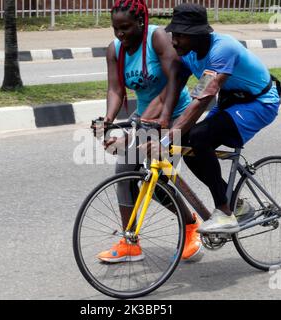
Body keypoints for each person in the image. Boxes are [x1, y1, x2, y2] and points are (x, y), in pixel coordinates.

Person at [95, 0, 206, 263]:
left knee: (157, 183)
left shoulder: (157, 37)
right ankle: (130, 242)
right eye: (116, 29)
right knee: (125, 174)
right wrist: (108, 118)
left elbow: (175, 81)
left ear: (140, 23)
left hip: (174, 113)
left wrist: (156, 119)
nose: (121, 34)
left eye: (126, 28)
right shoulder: (115, 49)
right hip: (143, 116)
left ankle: (191, 226)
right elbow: (115, 89)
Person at [157, 3, 281, 234]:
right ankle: (237, 204)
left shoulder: (223, 49)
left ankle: (224, 212)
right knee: (186, 144)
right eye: (173, 34)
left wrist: (167, 138)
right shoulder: (188, 54)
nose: (174, 41)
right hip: (232, 102)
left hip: (260, 103)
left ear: (197, 33)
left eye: (181, 35)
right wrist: (161, 121)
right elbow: (173, 87)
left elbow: (202, 98)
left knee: (199, 136)